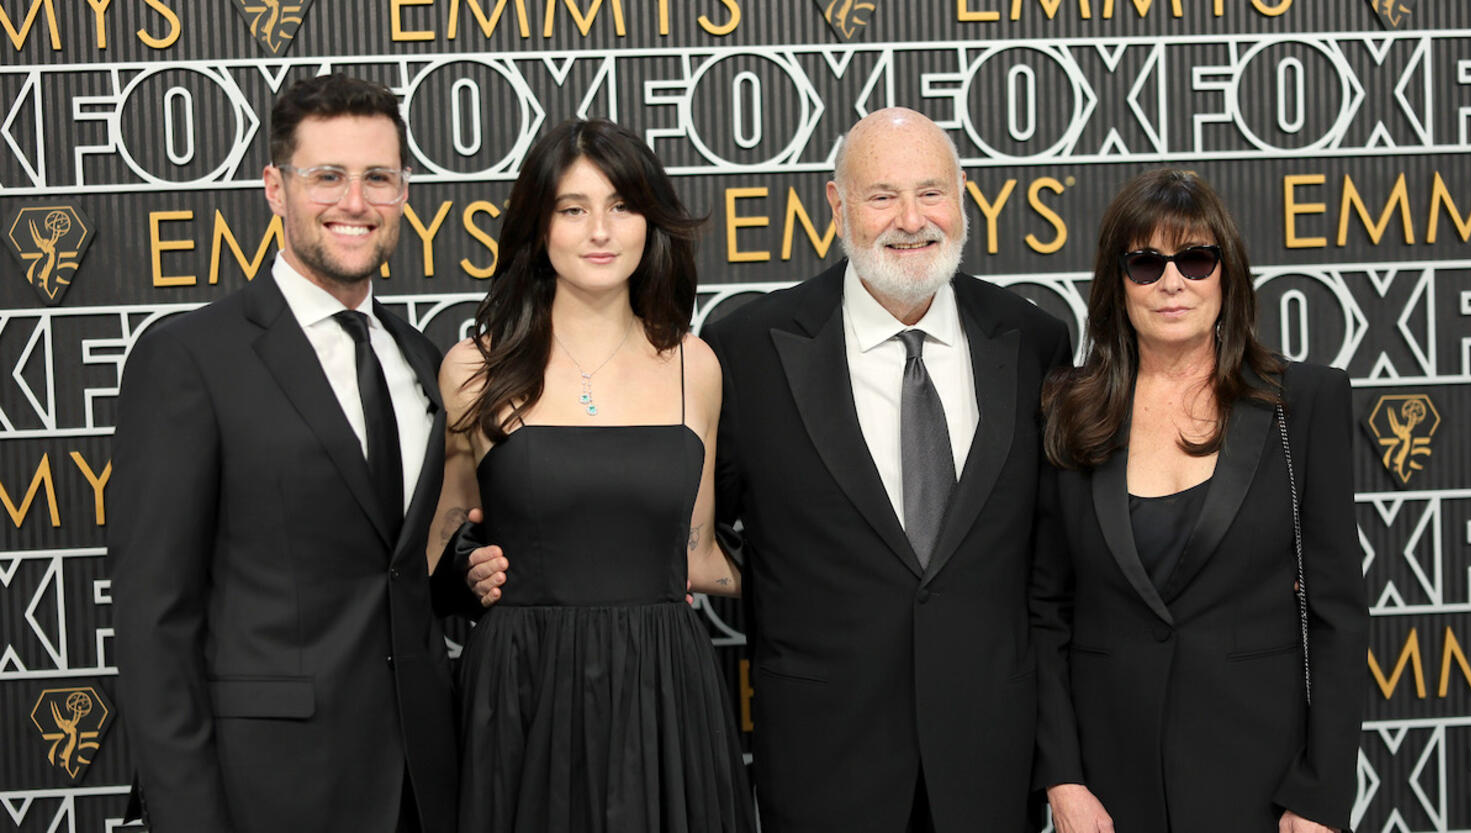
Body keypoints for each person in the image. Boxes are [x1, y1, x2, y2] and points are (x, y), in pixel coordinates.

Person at [702, 107, 1069, 831]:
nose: (911, 219)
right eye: (882, 195)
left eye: (932, 191)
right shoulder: (746, 349)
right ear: (837, 205)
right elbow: (690, 529)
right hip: (822, 762)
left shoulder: (1033, 343)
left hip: (991, 764)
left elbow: (1052, 569)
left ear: (963, 198)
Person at [109, 74, 458, 833]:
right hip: (267, 791)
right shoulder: (191, 359)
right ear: (275, 187)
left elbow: (391, 562)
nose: (354, 202)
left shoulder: (421, 360)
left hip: (424, 788)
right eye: (326, 176)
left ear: (404, 190)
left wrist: (467, 572)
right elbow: (153, 619)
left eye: (378, 177)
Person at [431, 117, 753, 832]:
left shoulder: (694, 365)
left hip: (665, 689)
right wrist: (464, 569)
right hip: (523, 685)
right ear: (538, 227)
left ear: (650, 222)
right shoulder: (473, 368)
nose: (600, 231)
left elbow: (698, 553)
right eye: (574, 209)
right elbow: (440, 542)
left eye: (622, 206)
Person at [1033, 168, 1368, 833]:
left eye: (1194, 257)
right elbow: (1045, 612)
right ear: (1116, 283)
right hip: (1110, 786)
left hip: (1264, 782)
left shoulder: (1303, 405)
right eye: (1145, 262)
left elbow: (1338, 616)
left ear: (1227, 274)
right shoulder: (1068, 408)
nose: (1172, 281)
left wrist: (1321, 791)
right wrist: (1063, 777)